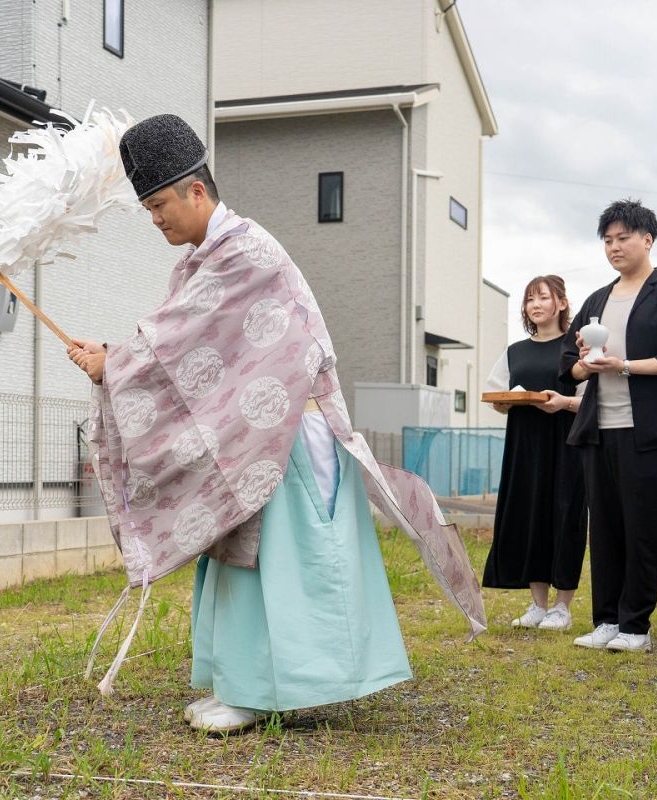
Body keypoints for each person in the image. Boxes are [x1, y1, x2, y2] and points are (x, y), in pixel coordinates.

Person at [67, 114, 484, 733]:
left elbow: (179, 342)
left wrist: (117, 363)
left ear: (197, 190)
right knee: (242, 558)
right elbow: (183, 341)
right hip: (254, 434)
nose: (156, 219)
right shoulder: (204, 259)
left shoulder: (245, 251)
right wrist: (117, 360)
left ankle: (264, 691)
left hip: (285, 431)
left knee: (280, 562)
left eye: (159, 205)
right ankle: (241, 682)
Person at [559, 199, 657, 654]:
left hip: (648, 435)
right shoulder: (597, 300)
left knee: (643, 530)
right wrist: (585, 365)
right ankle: (605, 620)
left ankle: (635, 625)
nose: (614, 247)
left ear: (647, 239)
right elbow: (569, 366)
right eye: (607, 240)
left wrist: (622, 367)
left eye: (623, 238)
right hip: (598, 432)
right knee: (603, 529)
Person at [482, 275, 587, 632]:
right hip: (524, 447)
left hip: (568, 444)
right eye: (529, 299)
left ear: (561, 302)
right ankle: (538, 605)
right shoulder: (515, 351)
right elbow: (497, 397)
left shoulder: (575, 348)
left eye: (543, 297)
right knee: (530, 516)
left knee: (565, 518)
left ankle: (562, 607)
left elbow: (593, 400)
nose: (535, 305)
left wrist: (563, 404)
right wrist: (512, 402)